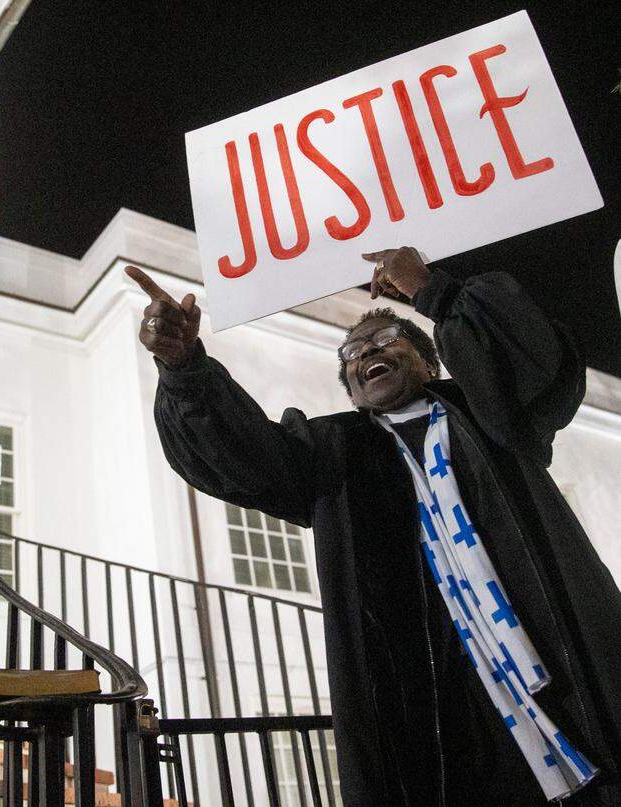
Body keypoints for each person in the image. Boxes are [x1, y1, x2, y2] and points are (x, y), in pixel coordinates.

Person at [127, 248, 621, 806]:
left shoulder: (490, 412)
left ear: (429, 364)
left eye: (386, 340)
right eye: (352, 354)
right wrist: (185, 368)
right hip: (435, 702)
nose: (366, 353)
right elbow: (239, 456)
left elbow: (539, 364)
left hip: (555, 660)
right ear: (354, 388)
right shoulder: (335, 452)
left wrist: (433, 289)